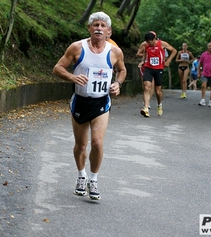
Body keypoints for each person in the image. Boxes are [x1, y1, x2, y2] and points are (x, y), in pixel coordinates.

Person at [52, 11, 126, 200]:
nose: (99, 29)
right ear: (89, 28)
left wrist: (118, 83)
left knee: (97, 142)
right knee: (81, 145)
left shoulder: (115, 52)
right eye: (96, 25)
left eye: (103, 26)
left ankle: (93, 179)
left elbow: (122, 70)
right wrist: (72, 77)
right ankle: (81, 175)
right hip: (80, 101)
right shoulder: (77, 48)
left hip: (101, 101)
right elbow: (58, 68)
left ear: (108, 31)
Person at [139, 32, 177, 117]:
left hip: (158, 69)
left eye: (150, 42)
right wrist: (142, 61)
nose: (149, 44)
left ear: (154, 39)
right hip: (148, 68)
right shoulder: (146, 45)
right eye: (147, 42)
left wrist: (168, 61)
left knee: (157, 91)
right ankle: (146, 108)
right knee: (146, 87)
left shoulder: (162, 43)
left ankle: (159, 105)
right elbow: (145, 54)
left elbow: (174, 51)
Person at [136, 31, 156, 109]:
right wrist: (147, 54)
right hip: (145, 66)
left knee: (152, 85)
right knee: (145, 85)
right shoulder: (144, 44)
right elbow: (138, 54)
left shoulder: (158, 44)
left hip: (154, 66)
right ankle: (146, 101)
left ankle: (148, 102)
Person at [198, 42, 211, 107]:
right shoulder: (204, 54)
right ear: (207, 47)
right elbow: (200, 64)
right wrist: (200, 71)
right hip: (205, 73)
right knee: (203, 85)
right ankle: (203, 100)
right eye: (209, 46)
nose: (210, 47)